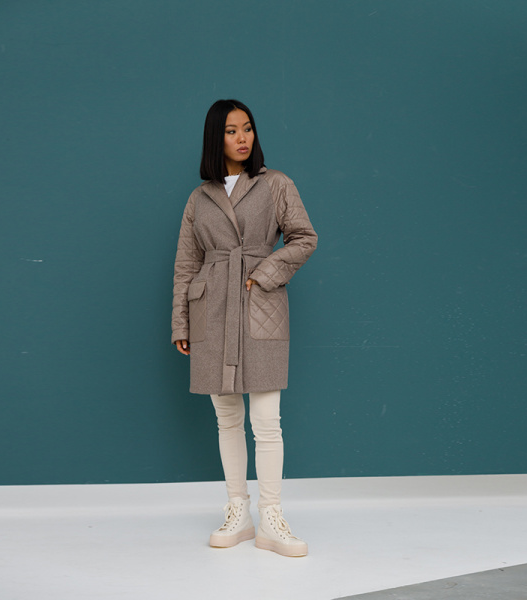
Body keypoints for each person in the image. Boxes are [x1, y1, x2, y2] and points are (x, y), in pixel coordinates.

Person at [171, 99, 317, 557]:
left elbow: (304, 237)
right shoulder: (199, 198)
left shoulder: (276, 184)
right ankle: (238, 510)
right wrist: (181, 320)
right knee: (227, 417)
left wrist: (266, 273)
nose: (242, 138)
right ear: (215, 138)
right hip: (211, 307)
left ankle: (271, 516)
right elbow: (186, 262)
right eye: (231, 130)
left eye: (248, 128)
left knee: (267, 420)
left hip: (260, 304)